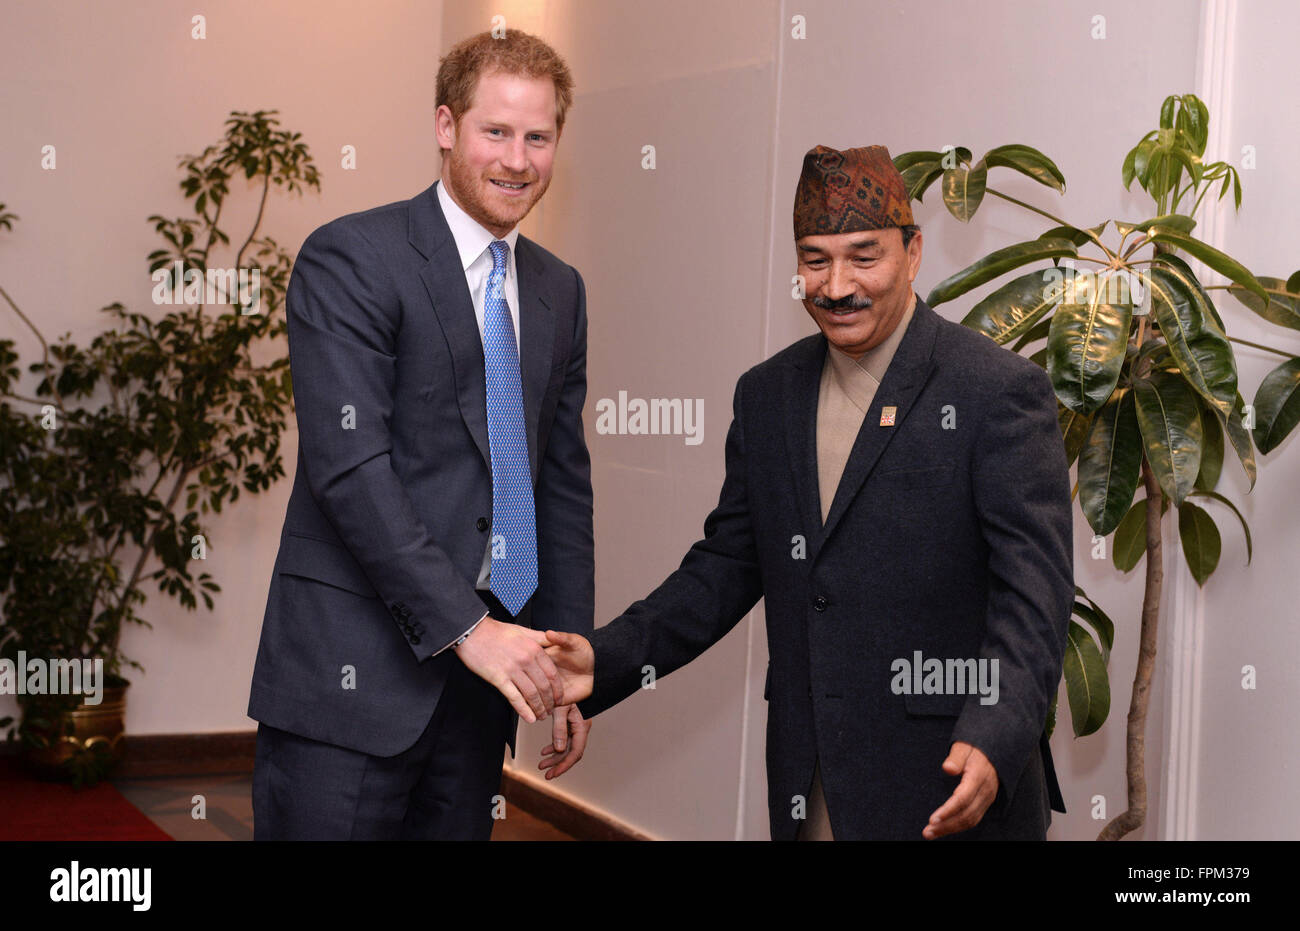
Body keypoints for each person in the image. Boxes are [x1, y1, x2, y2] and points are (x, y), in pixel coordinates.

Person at [542, 144, 1073, 840]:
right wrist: (605, 658)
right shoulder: (767, 396)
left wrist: (995, 731)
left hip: (947, 778)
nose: (837, 283)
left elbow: (1033, 596)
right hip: (810, 777)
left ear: (913, 253)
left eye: (864, 255)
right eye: (815, 259)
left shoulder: (995, 391)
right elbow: (726, 567)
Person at [248, 28, 594, 841]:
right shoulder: (354, 258)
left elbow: (561, 482)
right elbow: (350, 470)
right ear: (446, 127)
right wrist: (471, 631)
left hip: (481, 699)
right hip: (350, 685)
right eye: (495, 132)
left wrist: (570, 660)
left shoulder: (559, 290)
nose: (517, 159)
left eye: (537, 137)